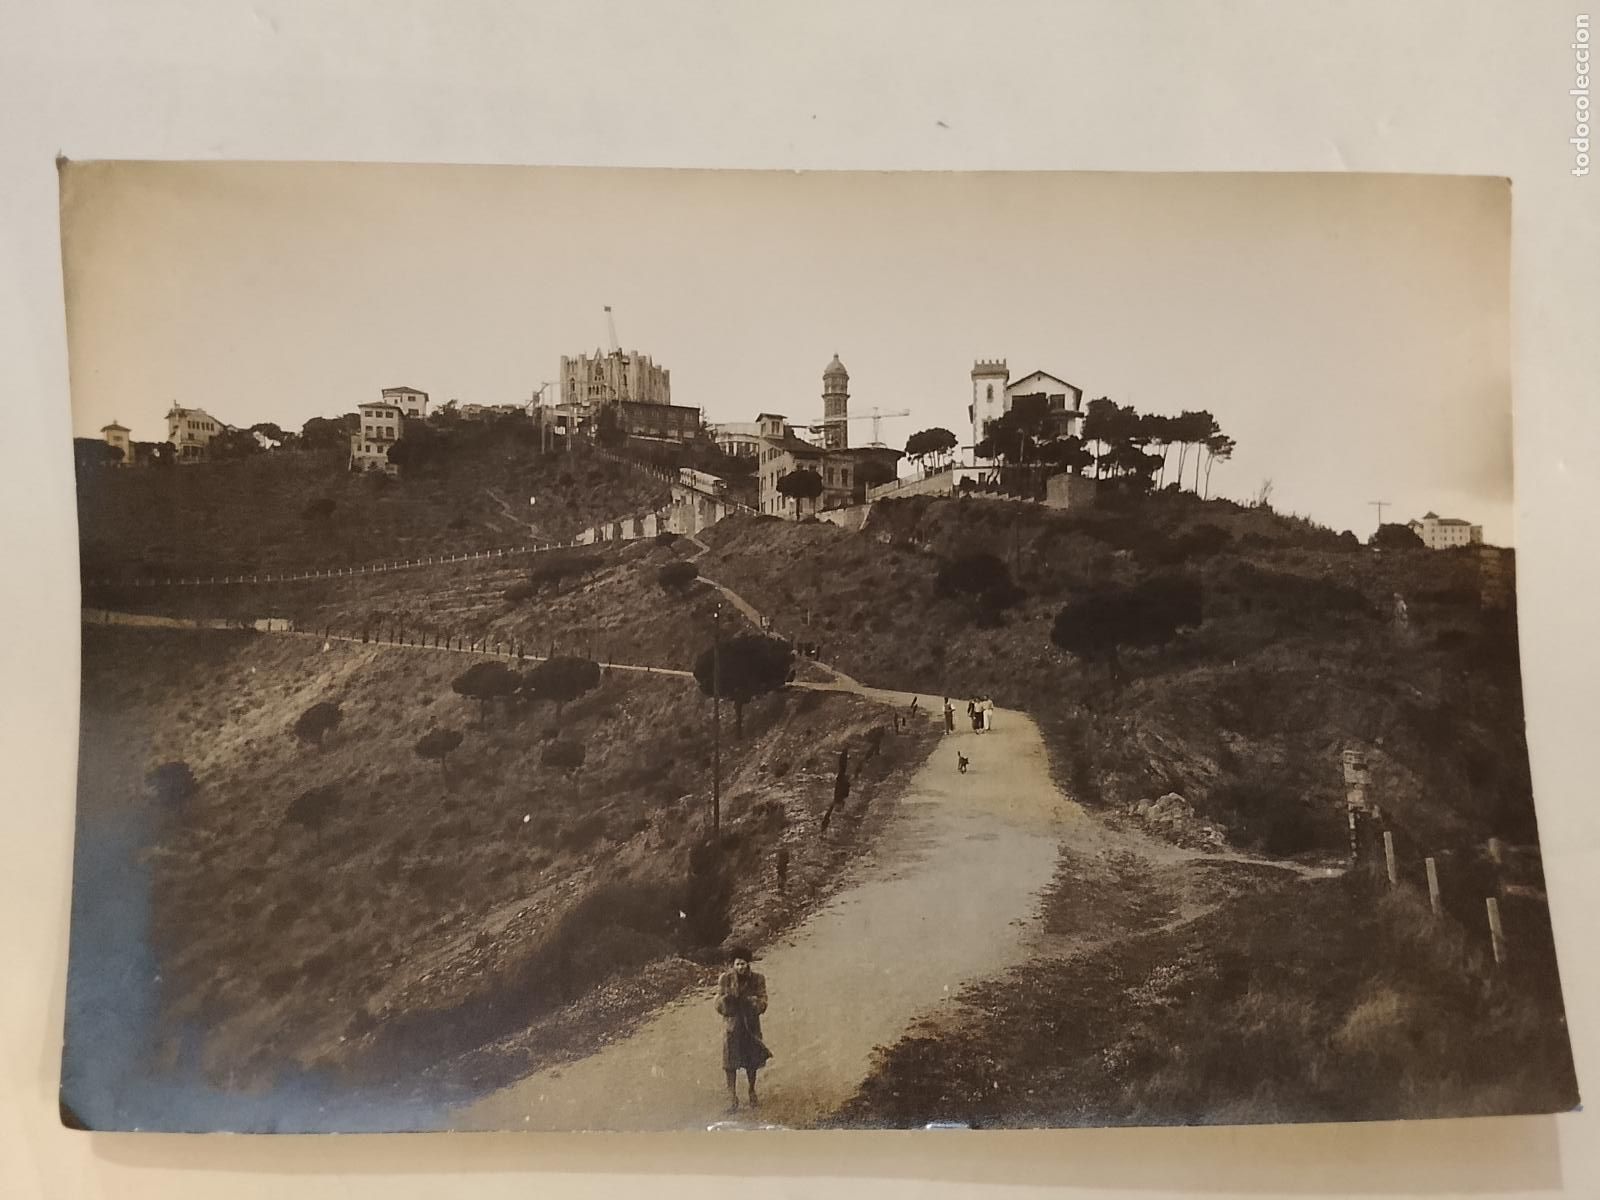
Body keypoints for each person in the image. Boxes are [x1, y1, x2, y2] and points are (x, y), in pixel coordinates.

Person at [715, 947, 771, 1110]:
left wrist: (751, 1002)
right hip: (732, 1027)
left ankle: (752, 1091)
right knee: (729, 1063)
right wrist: (726, 1001)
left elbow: (763, 1002)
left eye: (743, 964)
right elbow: (717, 1003)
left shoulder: (758, 979)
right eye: (737, 964)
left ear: (748, 964)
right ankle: (732, 1097)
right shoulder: (725, 979)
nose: (740, 967)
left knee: (751, 1061)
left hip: (750, 1026)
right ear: (733, 964)